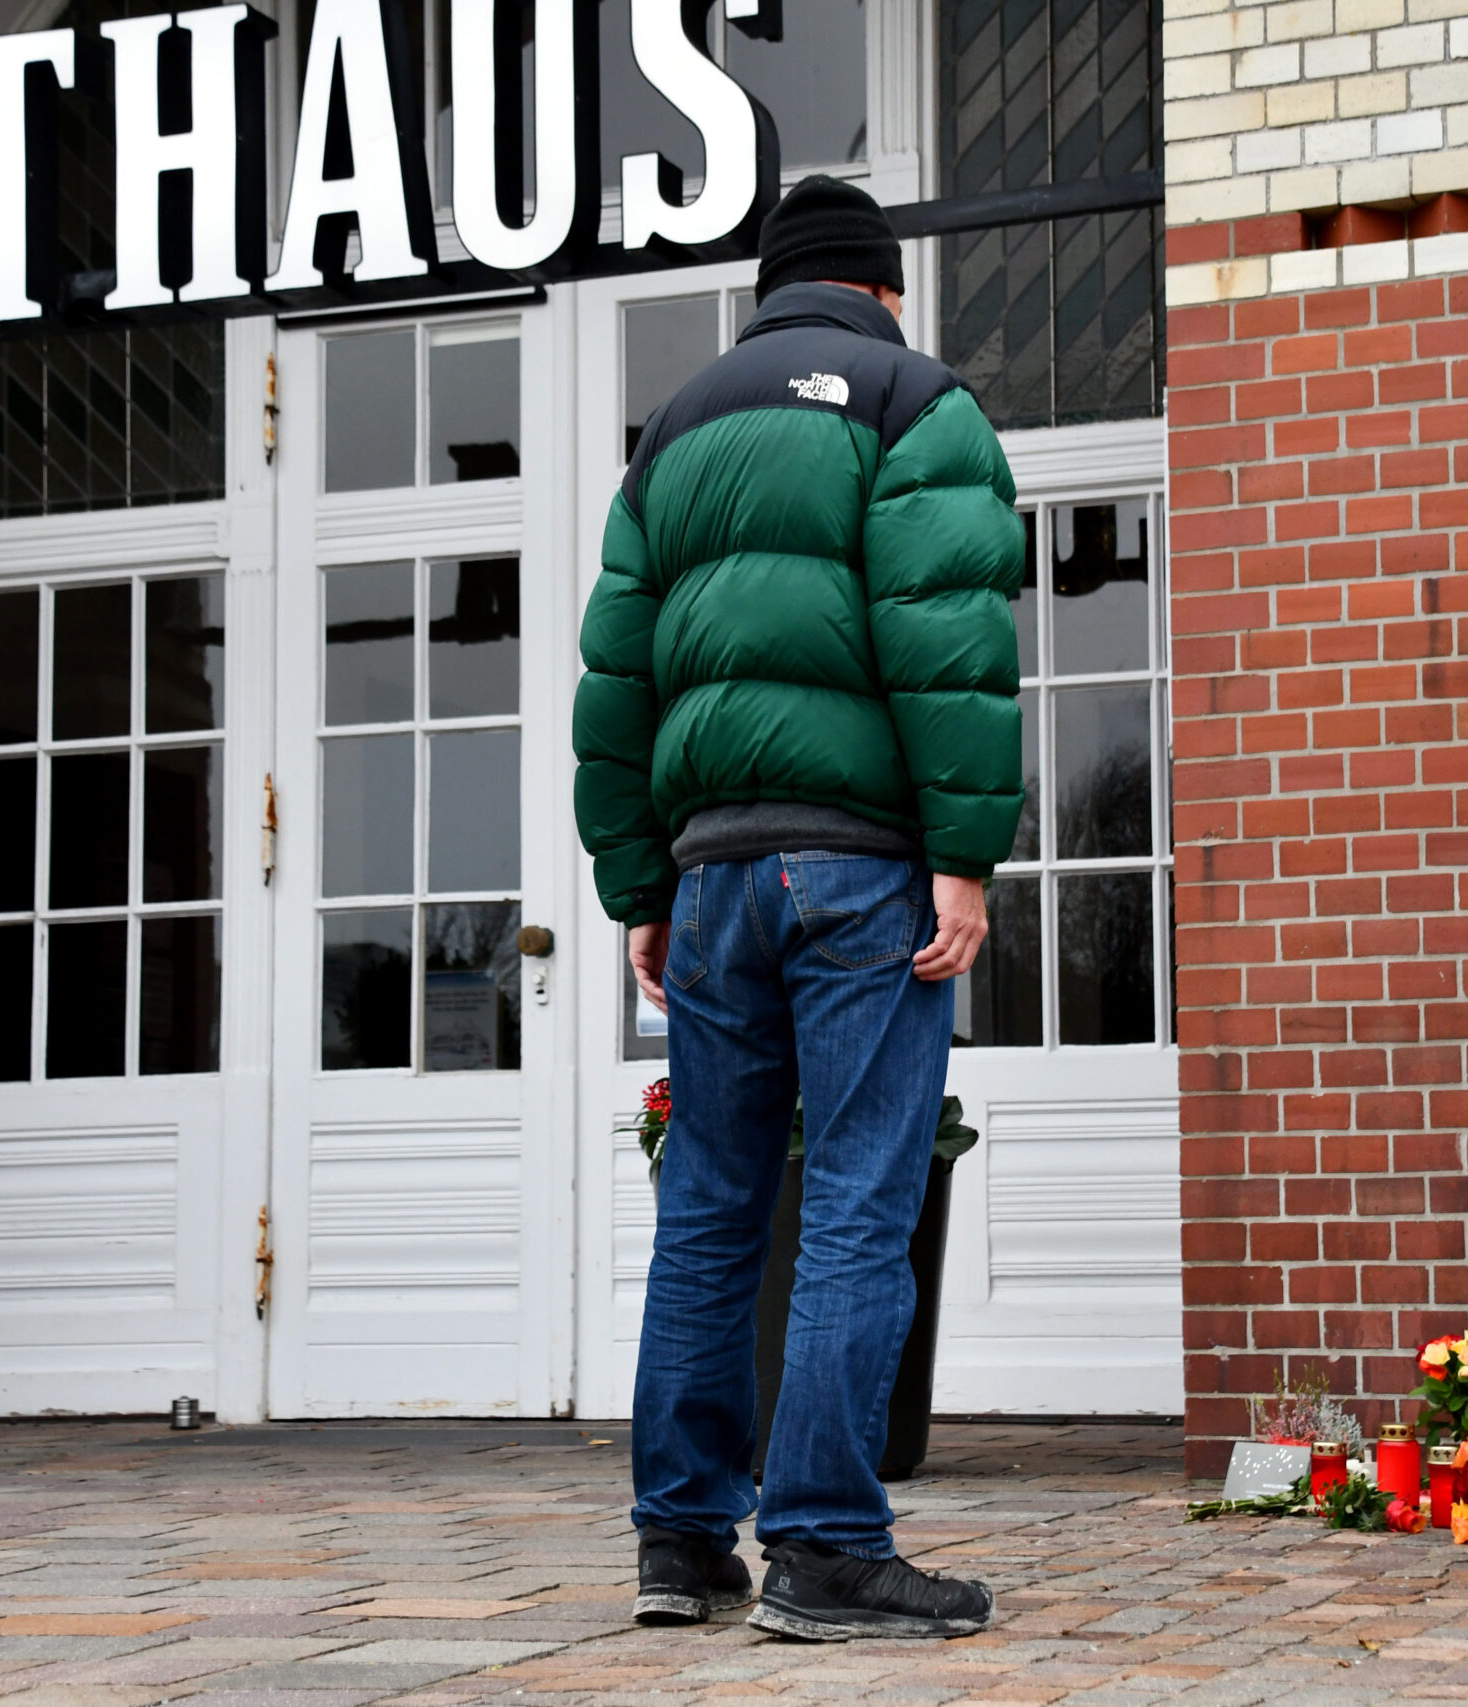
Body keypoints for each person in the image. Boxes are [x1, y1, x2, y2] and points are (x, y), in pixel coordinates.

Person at [571, 175, 1026, 1642]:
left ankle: (681, 1542)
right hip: (859, 870)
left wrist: (643, 876)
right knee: (857, 1195)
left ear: (771, 290)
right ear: (882, 286)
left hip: (713, 873)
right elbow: (947, 636)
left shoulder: (675, 429)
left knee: (708, 1206)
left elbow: (617, 677)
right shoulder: (913, 398)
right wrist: (964, 851)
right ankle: (826, 1548)